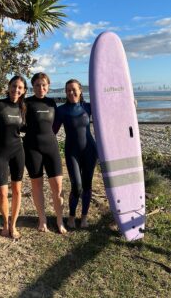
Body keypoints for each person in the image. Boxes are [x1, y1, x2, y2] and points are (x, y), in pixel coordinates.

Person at [23, 72, 67, 234]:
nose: (41, 88)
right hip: (32, 148)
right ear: (32, 87)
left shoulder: (51, 103)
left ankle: (59, 220)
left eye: (44, 85)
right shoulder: (26, 103)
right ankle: (42, 219)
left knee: (57, 186)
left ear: (48, 86)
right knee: (37, 185)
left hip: (51, 147)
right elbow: (19, 123)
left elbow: (55, 125)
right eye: (37, 85)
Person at [53, 79, 97, 228]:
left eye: (74, 89)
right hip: (72, 152)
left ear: (80, 91)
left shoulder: (89, 107)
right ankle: (71, 216)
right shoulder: (61, 110)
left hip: (90, 150)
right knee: (76, 186)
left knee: (87, 185)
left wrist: (129, 103)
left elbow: (109, 109)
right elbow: (52, 131)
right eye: (68, 90)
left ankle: (84, 216)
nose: (71, 92)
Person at [0, 76, 27, 239]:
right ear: (9, 87)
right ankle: (5, 223)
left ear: (24, 91)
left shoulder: (23, 108)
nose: (16, 90)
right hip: (0, 153)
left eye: (20, 87)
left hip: (17, 152)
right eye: (14, 86)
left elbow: (29, 128)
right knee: (2, 192)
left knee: (17, 191)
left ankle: (13, 225)